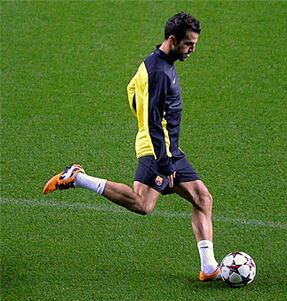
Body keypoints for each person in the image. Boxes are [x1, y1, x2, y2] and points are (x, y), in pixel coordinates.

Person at [42, 12, 221, 282]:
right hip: (156, 149)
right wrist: (164, 163)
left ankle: (208, 268)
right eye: (188, 44)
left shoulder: (157, 63)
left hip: (169, 148)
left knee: (203, 199)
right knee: (142, 204)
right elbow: (150, 121)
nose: (193, 50)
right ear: (172, 40)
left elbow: (131, 92)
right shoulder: (159, 72)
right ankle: (77, 177)